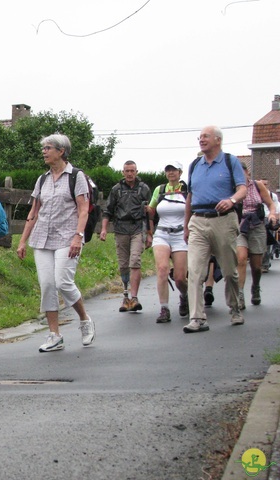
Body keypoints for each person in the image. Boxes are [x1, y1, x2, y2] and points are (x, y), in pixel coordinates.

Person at [16, 133, 95, 353]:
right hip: (42, 239)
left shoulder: (76, 176)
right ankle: (54, 335)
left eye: (48, 148)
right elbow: (33, 212)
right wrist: (23, 241)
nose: (44, 151)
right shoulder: (42, 179)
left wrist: (78, 237)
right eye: (43, 148)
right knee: (48, 286)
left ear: (61, 151)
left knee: (62, 282)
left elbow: (83, 210)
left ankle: (85, 320)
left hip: (67, 238)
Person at [183, 125, 246, 333]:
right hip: (198, 221)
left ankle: (235, 308)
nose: (201, 139)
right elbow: (190, 197)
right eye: (200, 136)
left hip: (223, 220)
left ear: (218, 140)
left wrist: (232, 200)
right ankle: (198, 318)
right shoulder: (195, 165)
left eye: (206, 136)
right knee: (194, 272)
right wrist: (186, 226)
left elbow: (242, 188)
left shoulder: (230, 161)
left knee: (229, 271)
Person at [100, 160, 152, 312]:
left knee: (134, 260)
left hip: (138, 227)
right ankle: (125, 296)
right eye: (127, 171)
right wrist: (103, 229)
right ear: (123, 172)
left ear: (137, 172)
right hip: (120, 228)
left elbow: (150, 213)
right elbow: (107, 210)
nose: (129, 174)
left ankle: (134, 297)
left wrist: (149, 234)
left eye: (132, 171)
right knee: (123, 265)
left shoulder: (144, 189)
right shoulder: (116, 190)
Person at [147, 161, 188, 323]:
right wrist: (149, 232)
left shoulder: (186, 190)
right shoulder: (160, 189)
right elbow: (150, 210)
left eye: (174, 170)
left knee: (180, 278)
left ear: (180, 172)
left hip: (180, 235)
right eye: (168, 170)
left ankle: (184, 295)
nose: (171, 173)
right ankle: (164, 308)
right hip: (162, 234)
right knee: (162, 269)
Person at [235, 164, 276, 308]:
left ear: (247, 172)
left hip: (257, 226)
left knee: (256, 266)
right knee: (241, 259)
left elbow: (270, 204)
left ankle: (256, 286)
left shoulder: (257, 185)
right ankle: (240, 295)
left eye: (242, 172)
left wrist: (271, 214)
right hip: (240, 227)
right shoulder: (232, 189)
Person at [260, 179, 280, 272]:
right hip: (258, 220)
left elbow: (277, 208)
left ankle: (265, 264)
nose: (264, 186)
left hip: (269, 220)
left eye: (266, 184)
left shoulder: (273, 196)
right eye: (262, 184)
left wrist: (275, 218)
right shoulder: (256, 194)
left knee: (267, 243)